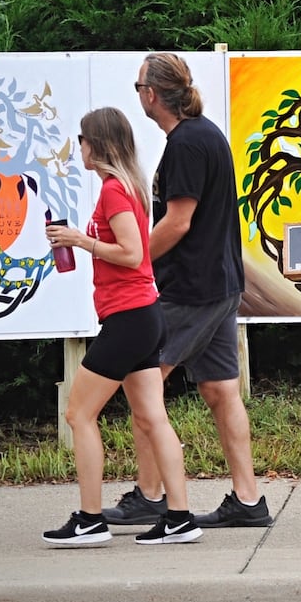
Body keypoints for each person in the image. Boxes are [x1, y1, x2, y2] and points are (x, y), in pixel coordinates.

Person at [102, 52, 273, 529]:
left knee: (144, 384)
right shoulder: (205, 136)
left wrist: (134, 261)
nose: (138, 95)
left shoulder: (186, 145)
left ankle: (152, 495)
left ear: (153, 95)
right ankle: (248, 499)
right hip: (218, 284)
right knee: (220, 389)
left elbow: (177, 223)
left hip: (192, 288)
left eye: (139, 88)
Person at [42, 107, 202, 546]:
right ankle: (180, 517)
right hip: (142, 315)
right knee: (152, 416)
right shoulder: (129, 186)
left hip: (129, 317)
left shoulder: (116, 190)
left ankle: (91, 520)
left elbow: (133, 254)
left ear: (97, 144)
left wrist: (81, 240)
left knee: (79, 414)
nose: (79, 147)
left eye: (82, 138)